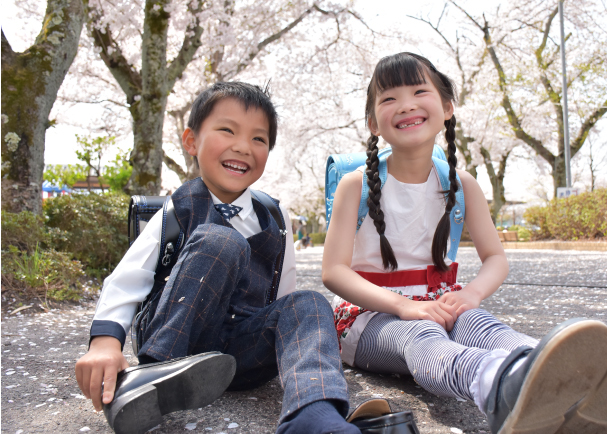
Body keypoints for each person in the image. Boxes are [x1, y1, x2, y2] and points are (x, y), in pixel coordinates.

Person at [321, 52, 607, 434]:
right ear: (374, 123)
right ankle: (500, 389)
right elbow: (334, 271)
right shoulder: (354, 185)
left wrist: (470, 295)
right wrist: (402, 306)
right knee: (422, 336)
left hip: (440, 301)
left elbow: (495, 259)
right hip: (369, 319)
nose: (405, 104)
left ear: (447, 106)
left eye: (419, 91)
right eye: (389, 98)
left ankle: (575, 379)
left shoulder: (462, 184)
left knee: (482, 325)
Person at [75, 82, 386, 434]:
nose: (243, 147)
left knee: (309, 303)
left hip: (242, 349)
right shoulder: (179, 207)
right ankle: (149, 378)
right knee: (222, 241)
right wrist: (104, 342)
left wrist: (298, 347)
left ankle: (313, 412)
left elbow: (284, 296)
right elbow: (129, 278)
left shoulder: (274, 214)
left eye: (259, 139)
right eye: (227, 130)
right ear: (191, 141)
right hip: (178, 338)